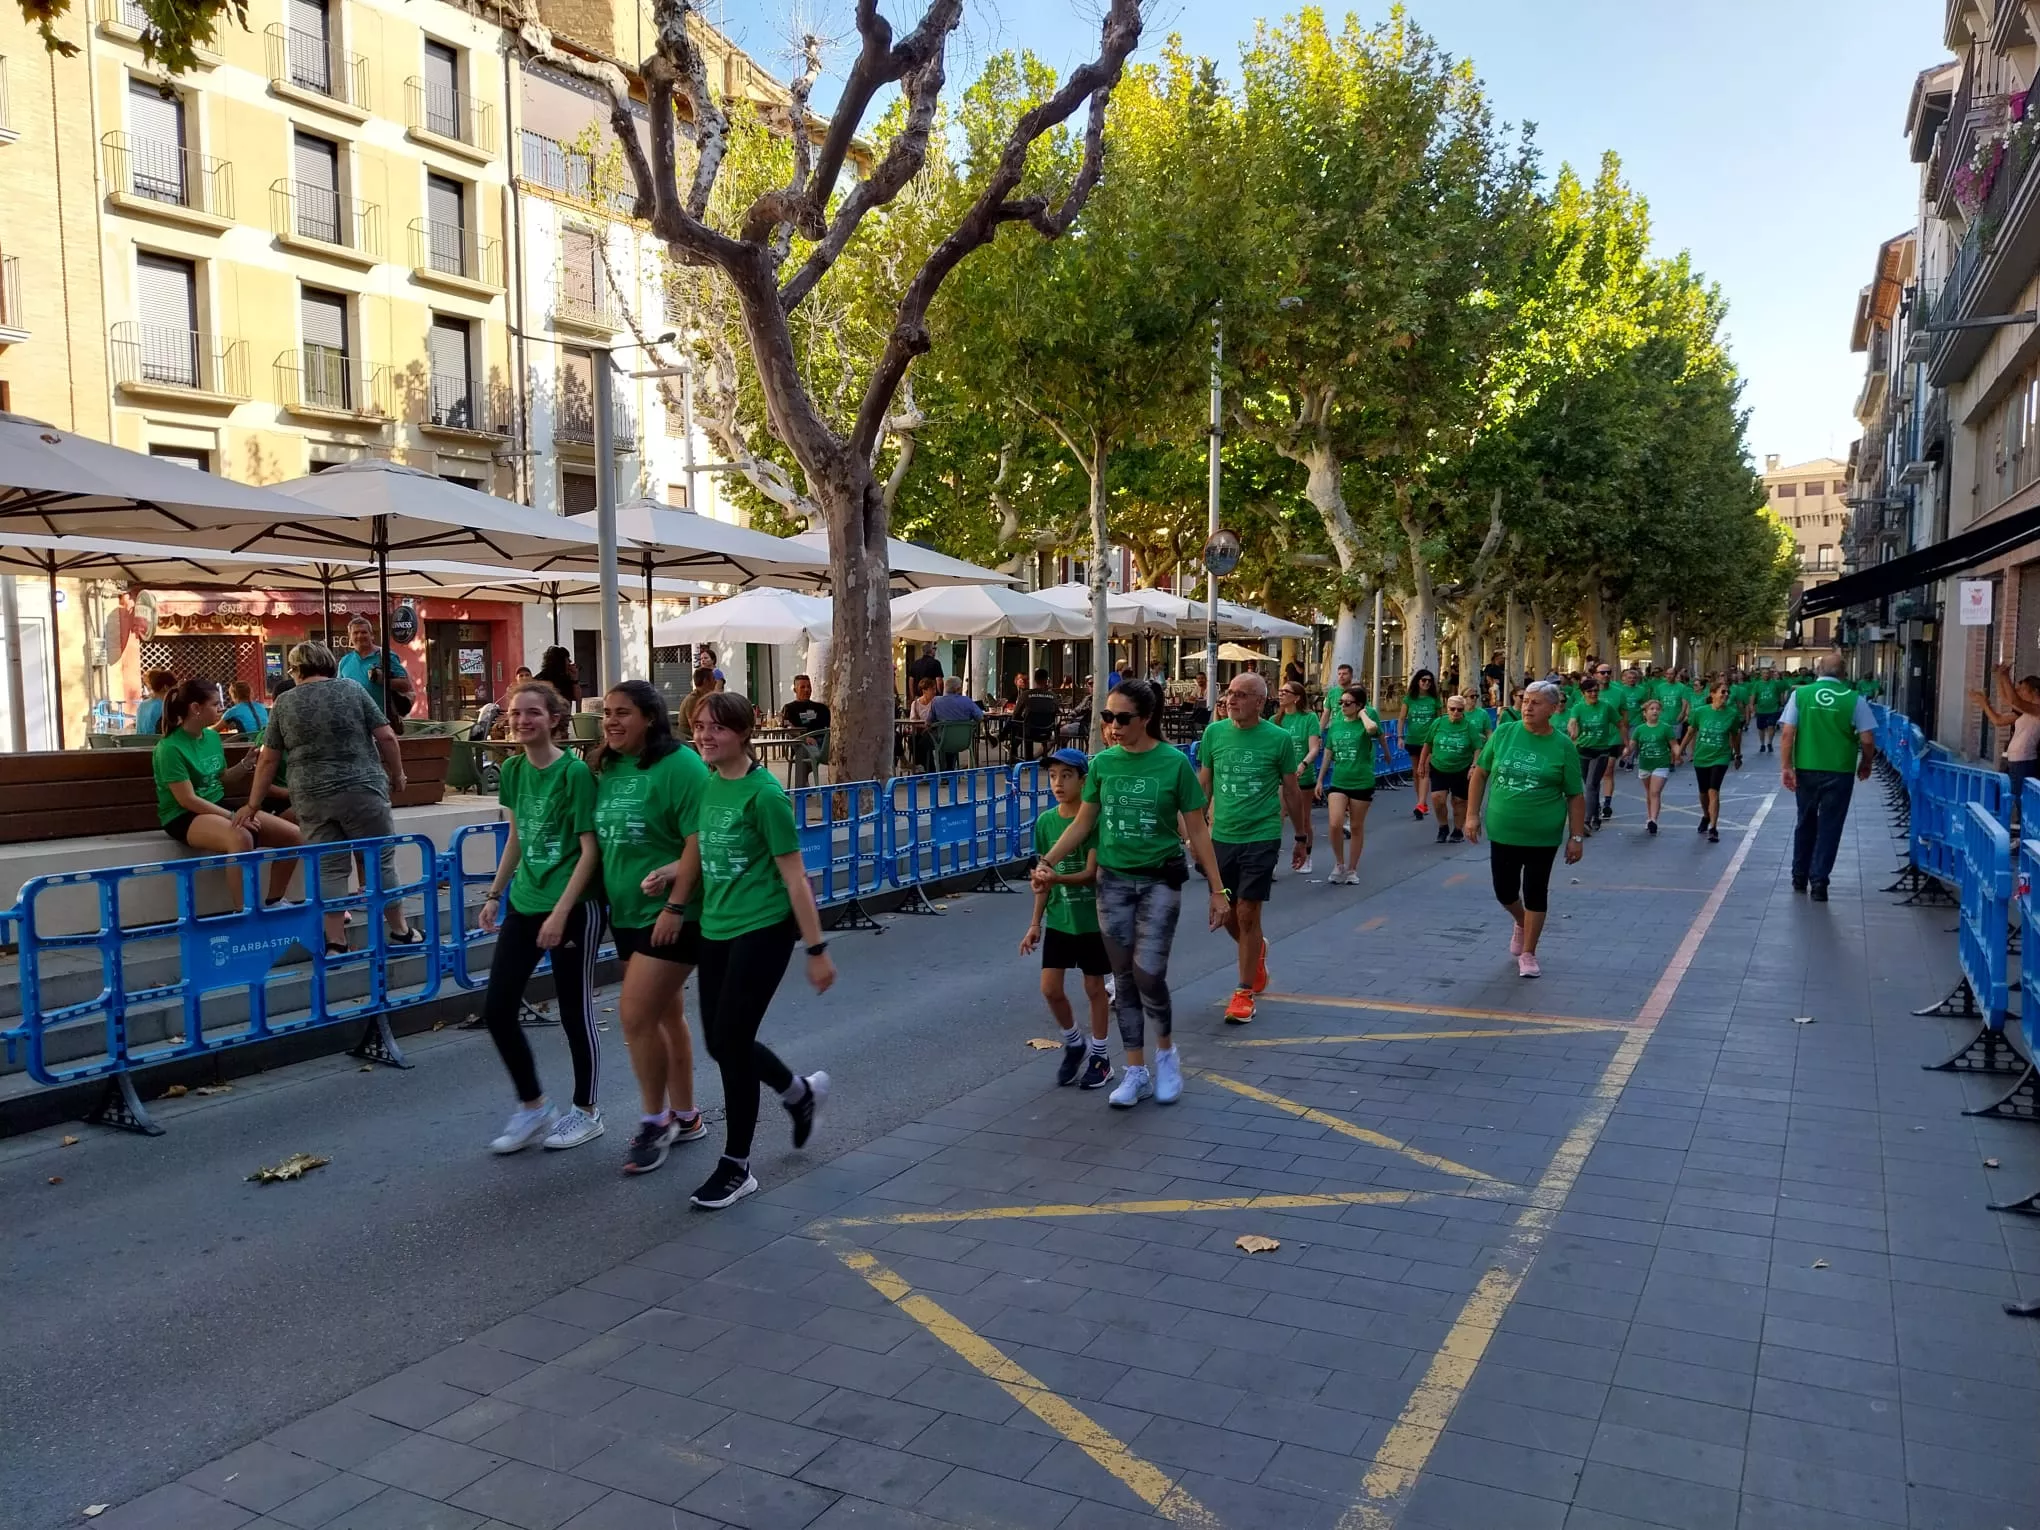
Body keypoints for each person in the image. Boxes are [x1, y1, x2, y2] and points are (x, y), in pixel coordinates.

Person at [652, 692, 836, 1210]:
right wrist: (672, 880)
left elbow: (795, 877)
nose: (704, 736)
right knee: (720, 1042)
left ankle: (737, 1166)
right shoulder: (710, 784)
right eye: (698, 726)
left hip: (764, 929)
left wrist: (816, 948)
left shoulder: (765, 795)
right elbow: (703, 851)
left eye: (716, 728)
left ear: (743, 733)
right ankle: (798, 1093)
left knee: (731, 1042)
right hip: (716, 927)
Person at [1035, 678, 1224, 1110]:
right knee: (1122, 978)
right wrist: (1047, 862)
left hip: (1159, 879)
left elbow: (1198, 830)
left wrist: (1219, 890)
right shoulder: (1103, 764)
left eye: (1123, 718)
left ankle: (1167, 1054)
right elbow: (1082, 823)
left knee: (1148, 974)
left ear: (1147, 718)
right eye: (1108, 717)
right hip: (1113, 882)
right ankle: (1135, 1071)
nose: (1114, 726)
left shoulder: (1174, 763)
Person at [475, 681, 606, 1154]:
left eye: (532, 712)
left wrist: (561, 912)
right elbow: (517, 836)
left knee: (574, 1011)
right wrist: (495, 894)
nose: (522, 721)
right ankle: (533, 1106)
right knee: (497, 1008)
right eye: (515, 713)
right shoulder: (512, 769)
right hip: (526, 902)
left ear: (554, 719)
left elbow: (590, 851)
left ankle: (587, 1111)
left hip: (573, 906)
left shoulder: (574, 773)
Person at [238, 643, 419, 955]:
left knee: (329, 867)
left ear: (296, 670)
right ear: (329, 664)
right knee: (380, 860)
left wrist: (252, 805)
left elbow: (268, 759)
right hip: (363, 790)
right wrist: (398, 774)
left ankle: (336, 942)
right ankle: (401, 931)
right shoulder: (352, 689)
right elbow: (387, 736)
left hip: (311, 797)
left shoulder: (284, 703)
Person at [593, 681, 707, 1175]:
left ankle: (654, 1122)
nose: (611, 721)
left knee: (635, 1015)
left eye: (623, 713)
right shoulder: (607, 766)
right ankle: (687, 1115)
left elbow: (700, 838)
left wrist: (675, 904)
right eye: (607, 713)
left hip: (675, 914)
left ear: (651, 718)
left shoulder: (681, 766)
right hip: (626, 911)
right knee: (665, 1015)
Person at [1198, 671, 1309, 1024]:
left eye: (1241, 694)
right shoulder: (1214, 733)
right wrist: (1194, 833)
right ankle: (1256, 949)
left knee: (1247, 912)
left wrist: (1302, 836)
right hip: (1222, 835)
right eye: (1229, 692)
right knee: (1227, 913)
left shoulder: (1278, 739)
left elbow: (1291, 790)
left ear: (1260, 702)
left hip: (1261, 834)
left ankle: (1243, 992)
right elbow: (1205, 784)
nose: (1231, 699)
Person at [1464, 681, 1585, 979]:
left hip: (1542, 834)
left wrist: (1576, 837)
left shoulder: (1562, 745)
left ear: (1553, 709)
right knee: (1504, 891)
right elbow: (1480, 773)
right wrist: (1472, 815)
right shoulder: (1505, 732)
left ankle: (1529, 952)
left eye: (1536, 703)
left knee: (1535, 891)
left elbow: (1575, 794)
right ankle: (1521, 921)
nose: (1528, 707)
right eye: (1525, 701)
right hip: (1503, 829)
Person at [154, 679, 302, 906]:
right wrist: (234, 817)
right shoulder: (169, 748)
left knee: (294, 836)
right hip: (183, 816)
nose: (221, 709)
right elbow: (187, 800)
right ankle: (244, 911)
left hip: (217, 804)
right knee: (241, 836)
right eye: (215, 704)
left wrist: (245, 764)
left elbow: (222, 777)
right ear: (196, 708)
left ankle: (274, 900)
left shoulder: (212, 737)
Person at [1021, 748, 1112, 1090]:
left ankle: (1101, 1055)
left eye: (1066, 776)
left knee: (1094, 987)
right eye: (1053, 776)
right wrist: (1035, 923)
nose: (1058, 783)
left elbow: (1091, 874)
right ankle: (1075, 1042)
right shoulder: (1045, 822)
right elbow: (1042, 879)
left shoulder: (1094, 819)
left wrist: (1055, 877)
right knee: (1050, 988)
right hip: (1061, 918)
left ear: (1084, 781)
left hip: (1091, 919)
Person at [1780, 656, 1877, 902]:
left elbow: (1788, 733)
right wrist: (1866, 763)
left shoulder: (1800, 695)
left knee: (1805, 820)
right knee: (1830, 826)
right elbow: (1867, 739)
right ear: (1844, 673)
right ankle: (1819, 881)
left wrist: (1786, 766)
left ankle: (1799, 875)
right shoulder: (1854, 699)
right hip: (1840, 770)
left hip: (1806, 766)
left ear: (1817, 670)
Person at [1318, 684, 1380, 884]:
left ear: (1359, 705)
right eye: (1341, 702)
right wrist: (1320, 779)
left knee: (1356, 826)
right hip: (1339, 780)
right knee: (1335, 823)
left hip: (1361, 781)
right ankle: (1339, 863)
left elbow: (1372, 729)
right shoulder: (1336, 725)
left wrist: (1362, 714)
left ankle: (1352, 869)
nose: (1343, 706)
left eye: (1348, 703)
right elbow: (1328, 753)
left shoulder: (1365, 724)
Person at [1974, 662, 2040, 808]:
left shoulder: (2037, 709)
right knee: (2012, 798)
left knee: (2021, 802)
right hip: (2016, 761)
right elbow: (2006, 699)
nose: (2020, 692)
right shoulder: (2027, 710)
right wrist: (2000, 677)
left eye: (2024, 689)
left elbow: (2014, 700)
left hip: (2024, 761)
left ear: (2035, 691)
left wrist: (2005, 677)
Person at [1421, 693, 1484, 844]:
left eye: (1459, 710)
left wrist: (1474, 766)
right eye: (1452, 709)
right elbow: (1428, 743)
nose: (1456, 712)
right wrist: (1421, 763)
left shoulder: (1468, 726)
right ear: (1447, 709)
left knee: (1459, 801)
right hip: (1439, 767)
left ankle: (1457, 830)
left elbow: (1477, 747)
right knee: (1437, 798)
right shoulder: (1438, 723)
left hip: (1461, 768)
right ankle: (1443, 827)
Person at [1566, 678, 1626, 830]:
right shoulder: (1578, 708)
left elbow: (1620, 724)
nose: (1593, 694)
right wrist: (1572, 731)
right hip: (1583, 750)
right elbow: (1572, 721)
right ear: (1583, 693)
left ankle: (1586, 820)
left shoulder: (1606, 707)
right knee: (1590, 784)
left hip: (1602, 751)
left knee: (1591, 785)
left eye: (1596, 691)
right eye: (1590, 691)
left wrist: (1626, 743)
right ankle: (1595, 813)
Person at [1688, 680, 1741, 844]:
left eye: (1727, 692)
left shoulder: (1732, 714)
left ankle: (1713, 827)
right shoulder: (1700, 712)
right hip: (1702, 756)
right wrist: (1678, 751)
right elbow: (1691, 731)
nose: (1725, 695)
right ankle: (1706, 815)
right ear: (1712, 694)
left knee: (1714, 791)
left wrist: (1738, 755)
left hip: (1721, 756)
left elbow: (1735, 735)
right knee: (1703, 792)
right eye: (1722, 692)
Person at [338, 616, 414, 718]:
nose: (360, 636)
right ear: (350, 637)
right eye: (355, 633)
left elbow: (406, 685)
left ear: (372, 635)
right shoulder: (344, 661)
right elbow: (340, 691)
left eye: (364, 632)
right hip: (355, 719)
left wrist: (383, 680)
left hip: (383, 720)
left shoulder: (386, 656)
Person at [1625, 697, 1679, 835]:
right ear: (1645, 713)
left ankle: (1654, 820)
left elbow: (1674, 744)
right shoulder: (1640, 729)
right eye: (1651, 709)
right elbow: (1632, 744)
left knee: (1655, 792)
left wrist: (1678, 753)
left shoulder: (1665, 728)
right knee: (1649, 792)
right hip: (1645, 764)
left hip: (1661, 764)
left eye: (1657, 709)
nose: (1655, 711)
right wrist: (1626, 751)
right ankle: (1649, 818)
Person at [1401, 670, 1443, 819]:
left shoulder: (1434, 700)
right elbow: (1402, 718)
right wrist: (1400, 737)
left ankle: (1420, 804)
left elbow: (1440, 720)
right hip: (1413, 739)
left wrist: (1438, 737)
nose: (1426, 683)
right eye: (1423, 680)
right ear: (1417, 681)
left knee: (1424, 769)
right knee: (1416, 772)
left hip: (1429, 741)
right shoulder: (1409, 699)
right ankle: (1421, 802)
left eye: (1429, 681)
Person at [1274, 680, 1322, 803]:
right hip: (1279, 777)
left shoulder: (1310, 718)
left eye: (1286, 691)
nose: (1281, 694)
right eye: (1280, 691)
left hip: (1302, 777)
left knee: (1302, 815)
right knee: (1280, 813)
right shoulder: (1274, 720)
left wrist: (1303, 765)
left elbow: (1314, 748)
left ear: (1297, 697)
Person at [781, 674, 831, 789]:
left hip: (823, 742)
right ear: (795, 690)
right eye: (802, 687)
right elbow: (787, 727)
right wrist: (804, 737)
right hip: (803, 742)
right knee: (802, 746)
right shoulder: (789, 708)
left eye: (809, 687)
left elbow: (830, 727)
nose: (807, 690)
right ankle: (801, 787)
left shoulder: (821, 708)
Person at [1020, 670, 1063, 760]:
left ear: (1035, 680)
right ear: (1046, 680)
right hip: (1047, 731)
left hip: (1029, 732)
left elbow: (1016, 713)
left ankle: (1018, 756)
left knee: (1015, 725)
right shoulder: (1053, 696)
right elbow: (1056, 711)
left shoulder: (1026, 694)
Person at [1751, 667, 1788, 754]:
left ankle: (1769, 743)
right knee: (1761, 728)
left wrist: (1782, 703)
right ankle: (1762, 744)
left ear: (1770, 674)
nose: (1766, 675)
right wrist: (1751, 705)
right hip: (1761, 709)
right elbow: (1753, 695)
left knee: (1771, 726)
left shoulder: (1775, 683)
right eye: (1764, 673)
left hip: (1773, 709)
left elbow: (1781, 692)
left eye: (1767, 673)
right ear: (1761, 674)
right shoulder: (1757, 684)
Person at [677, 666, 718, 739]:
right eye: (713, 678)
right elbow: (694, 726)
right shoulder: (693, 699)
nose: (716, 681)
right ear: (705, 681)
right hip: (688, 738)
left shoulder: (705, 697)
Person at [135, 669, 176, 735]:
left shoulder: (142, 705)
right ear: (166, 687)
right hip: (156, 741)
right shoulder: (164, 706)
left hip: (139, 741)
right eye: (174, 688)